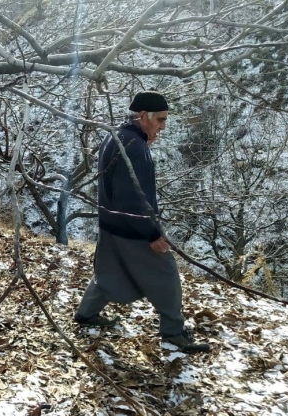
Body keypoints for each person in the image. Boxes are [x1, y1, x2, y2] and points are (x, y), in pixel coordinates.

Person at [74, 91, 210, 353]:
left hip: (110, 222)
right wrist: (152, 234)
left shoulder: (115, 135)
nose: (163, 127)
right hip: (133, 229)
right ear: (143, 116)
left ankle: (86, 313)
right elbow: (133, 197)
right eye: (160, 120)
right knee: (166, 272)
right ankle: (173, 332)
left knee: (110, 271)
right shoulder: (135, 148)